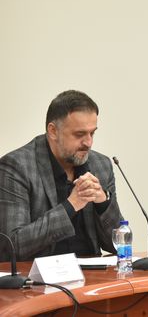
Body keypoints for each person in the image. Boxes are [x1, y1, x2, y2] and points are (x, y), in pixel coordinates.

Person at [0, 90, 123, 261]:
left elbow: (120, 246)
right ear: (53, 131)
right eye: (79, 134)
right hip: (39, 275)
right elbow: (12, 247)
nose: (88, 142)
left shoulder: (100, 165)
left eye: (92, 133)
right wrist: (71, 205)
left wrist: (103, 203)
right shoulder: (17, 167)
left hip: (92, 273)